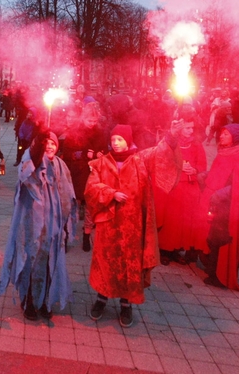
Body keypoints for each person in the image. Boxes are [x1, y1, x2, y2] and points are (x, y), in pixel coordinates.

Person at [85, 122, 181, 328]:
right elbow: (91, 189)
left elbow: (160, 153)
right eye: (113, 140)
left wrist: (171, 135)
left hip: (132, 226)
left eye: (120, 140)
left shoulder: (140, 160)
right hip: (108, 226)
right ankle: (101, 299)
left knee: (129, 264)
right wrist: (111, 193)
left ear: (128, 141)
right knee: (106, 262)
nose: (116, 144)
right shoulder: (102, 162)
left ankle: (126, 304)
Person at [0, 130, 77, 321]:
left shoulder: (61, 165)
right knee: (30, 261)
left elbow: (68, 195)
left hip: (53, 226)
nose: (50, 146)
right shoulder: (32, 161)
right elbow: (26, 174)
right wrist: (36, 147)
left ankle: (45, 301)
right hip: (32, 224)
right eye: (46, 143)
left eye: (53, 143)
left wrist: (67, 224)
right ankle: (29, 301)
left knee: (50, 263)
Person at [198, 124, 239, 291]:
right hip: (216, 202)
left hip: (228, 207)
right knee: (211, 237)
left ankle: (218, 276)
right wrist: (204, 176)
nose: (221, 137)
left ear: (236, 137)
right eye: (221, 133)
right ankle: (211, 269)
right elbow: (219, 174)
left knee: (220, 239)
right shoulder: (224, 152)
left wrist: (219, 195)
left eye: (226, 134)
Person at [155, 108, 207, 265]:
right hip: (174, 186)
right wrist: (178, 166)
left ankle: (177, 249)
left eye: (192, 128)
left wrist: (195, 169)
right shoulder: (170, 142)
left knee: (185, 222)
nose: (190, 131)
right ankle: (165, 249)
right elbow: (161, 159)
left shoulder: (196, 145)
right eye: (187, 128)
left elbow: (202, 165)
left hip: (190, 187)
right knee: (171, 220)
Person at [60, 102, 108, 251]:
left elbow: (105, 150)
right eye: (89, 121)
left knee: (90, 208)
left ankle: (86, 235)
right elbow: (67, 153)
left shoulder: (101, 133)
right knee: (73, 207)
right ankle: (67, 235)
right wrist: (83, 154)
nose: (92, 124)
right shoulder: (75, 131)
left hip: (93, 175)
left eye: (94, 121)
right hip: (78, 174)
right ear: (83, 119)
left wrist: (101, 154)